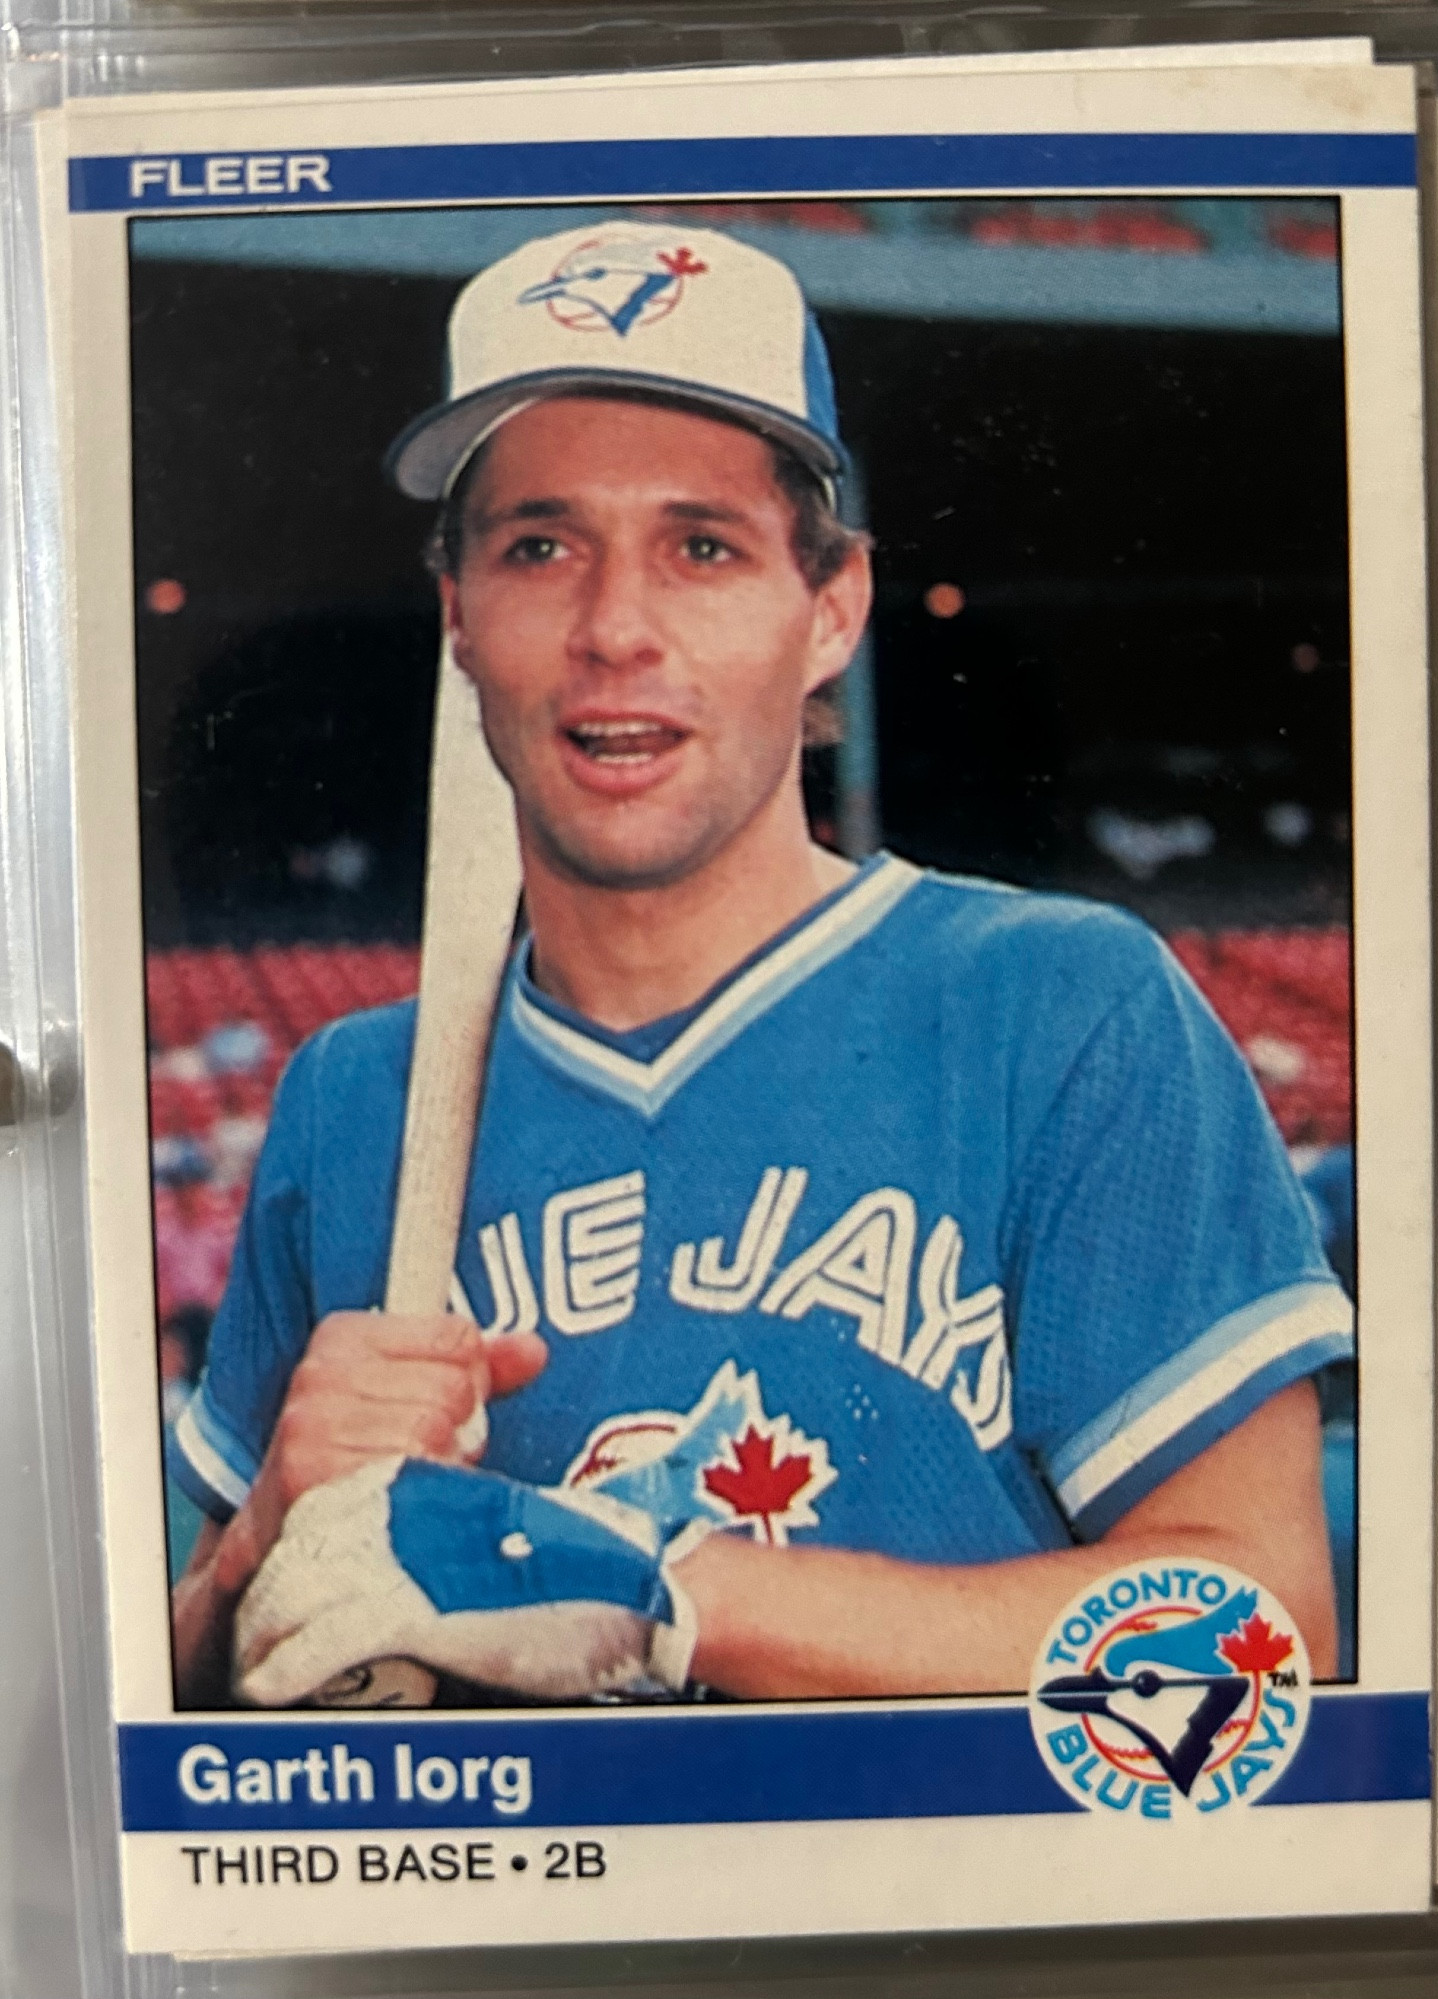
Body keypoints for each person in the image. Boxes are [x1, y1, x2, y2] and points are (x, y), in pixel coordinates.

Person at [168, 220, 1353, 1709]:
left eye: (703, 549)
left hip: (954, 1922)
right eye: (541, 546)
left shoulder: (1065, 1013)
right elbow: (178, 1716)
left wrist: (665, 1600)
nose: (615, 629)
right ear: (461, 619)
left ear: (833, 611)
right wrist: (265, 1539)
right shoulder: (355, 1099)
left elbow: (1255, 1635)